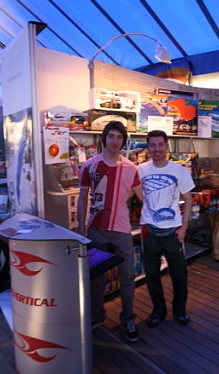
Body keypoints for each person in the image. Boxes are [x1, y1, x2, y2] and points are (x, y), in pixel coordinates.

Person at [77, 120, 143, 343]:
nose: (115, 141)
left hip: (122, 229)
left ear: (124, 141)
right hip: (96, 229)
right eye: (111, 136)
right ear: (104, 138)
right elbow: (82, 199)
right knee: (95, 277)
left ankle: (128, 319)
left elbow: (141, 196)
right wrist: (81, 230)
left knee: (127, 277)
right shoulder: (89, 166)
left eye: (119, 137)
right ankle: (98, 316)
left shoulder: (131, 168)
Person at [138, 130, 194, 328]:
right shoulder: (140, 170)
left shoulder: (179, 170)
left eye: (160, 145)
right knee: (152, 275)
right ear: (147, 147)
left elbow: (189, 199)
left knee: (179, 275)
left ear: (166, 146)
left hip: (173, 231)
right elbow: (133, 192)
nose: (157, 149)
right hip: (149, 230)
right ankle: (158, 311)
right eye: (152, 145)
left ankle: (180, 310)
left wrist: (184, 227)